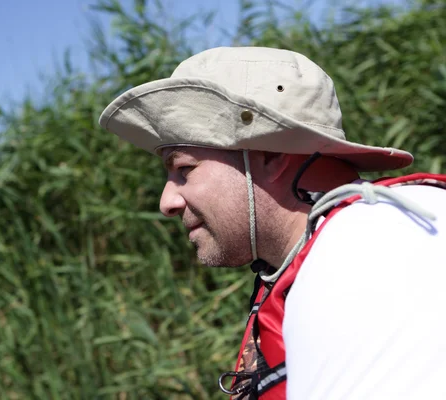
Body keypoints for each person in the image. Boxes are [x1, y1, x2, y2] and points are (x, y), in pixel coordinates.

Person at [98, 46, 446, 399]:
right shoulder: (342, 248)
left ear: (270, 155)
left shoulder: (371, 249)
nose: (167, 202)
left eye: (185, 169)